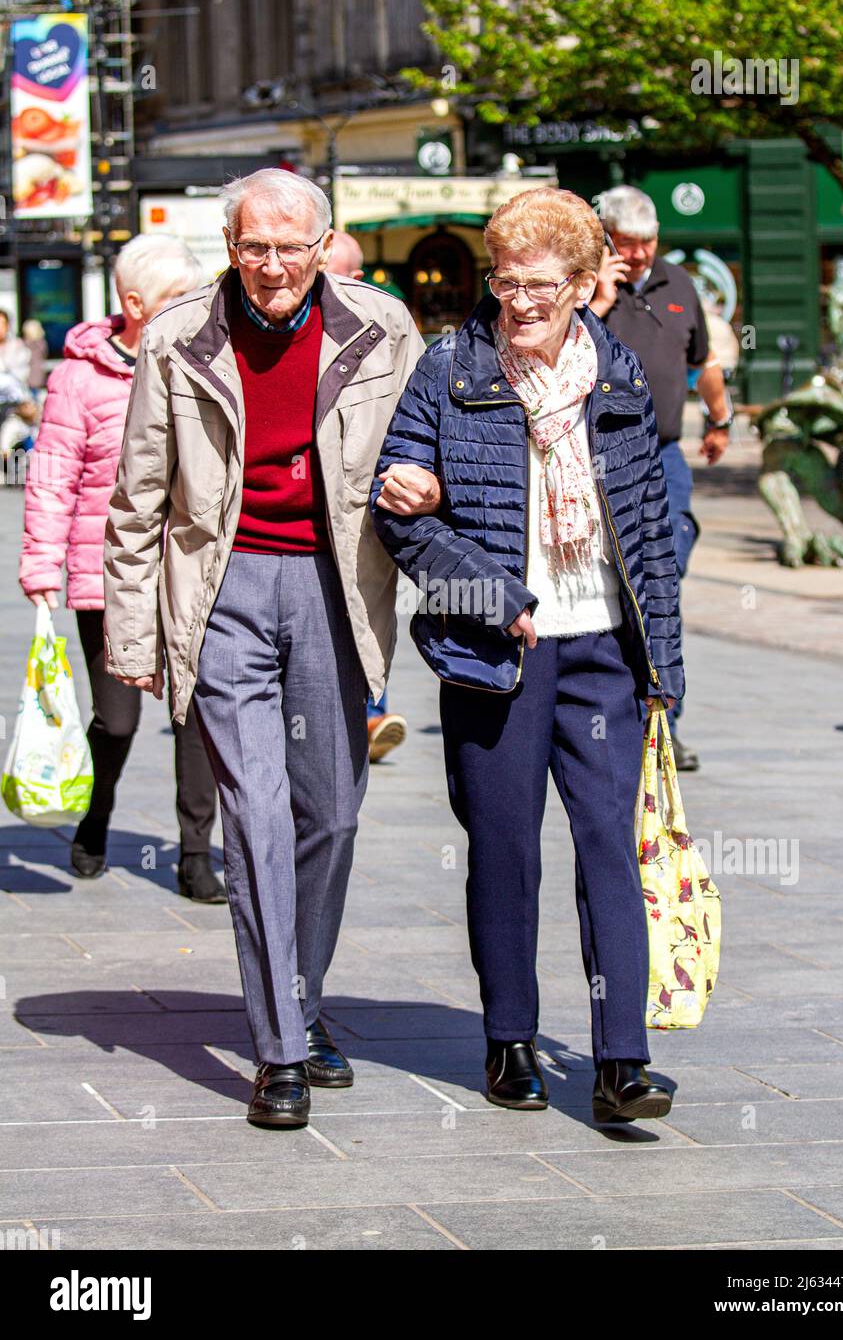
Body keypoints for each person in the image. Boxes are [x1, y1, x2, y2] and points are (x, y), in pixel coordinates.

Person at [103, 169, 435, 1130]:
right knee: (255, 817)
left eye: (293, 247)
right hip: (223, 589)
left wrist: (431, 490)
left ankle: (302, 995)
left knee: (329, 811)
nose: (274, 266)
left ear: (325, 245)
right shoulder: (176, 337)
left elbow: (432, 447)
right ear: (230, 246)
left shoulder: (382, 329)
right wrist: (134, 635)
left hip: (338, 587)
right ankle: (279, 1047)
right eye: (256, 247)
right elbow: (137, 503)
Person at [371, 187, 683, 1124]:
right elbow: (399, 518)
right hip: (497, 653)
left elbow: (652, 533)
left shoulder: (620, 376)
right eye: (506, 282)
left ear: (587, 285)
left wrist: (662, 665)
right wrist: (491, 596)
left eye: (543, 284)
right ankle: (509, 1041)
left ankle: (620, 1061)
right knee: (504, 849)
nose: (522, 301)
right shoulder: (449, 368)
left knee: (607, 852)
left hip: (601, 650)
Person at [19, 235, 224, 902]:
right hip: (106, 576)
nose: (192, 310)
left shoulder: (205, 360)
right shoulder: (78, 377)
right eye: (176, 300)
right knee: (117, 720)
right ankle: (97, 815)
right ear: (135, 305)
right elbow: (50, 479)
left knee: (194, 713)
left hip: (191, 570)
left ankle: (196, 855)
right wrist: (41, 566)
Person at [590, 185, 732, 772]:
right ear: (606, 240)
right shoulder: (585, 285)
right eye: (629, 243)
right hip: (599, 453)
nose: (642, 254)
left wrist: (721, 420)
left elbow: (704, 363)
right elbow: (556, 348)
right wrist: (599, 296)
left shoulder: (680, 284)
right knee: (613, 585)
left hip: (664, 453)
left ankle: (663, 727)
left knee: (665, 570)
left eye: (649, 242)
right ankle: (611, 716)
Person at [326, 229, 409, 763]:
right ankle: (365, 715)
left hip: (366, 515)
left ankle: (371, 710)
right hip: (305, 528)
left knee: (364, 611)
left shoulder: (388, 332)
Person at [0, 308, 31, 387]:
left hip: (14, 394)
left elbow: (23, 373)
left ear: (7, 326)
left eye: (2, 325)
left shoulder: (18, 346)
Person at [21, 318, 48, 400]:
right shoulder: (42, 343)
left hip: (30, 376)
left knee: (32, 399)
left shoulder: (26, 344)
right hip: (38, 375)